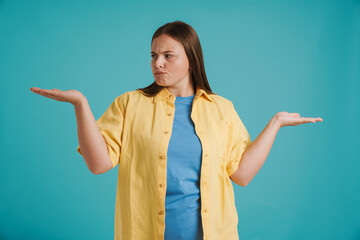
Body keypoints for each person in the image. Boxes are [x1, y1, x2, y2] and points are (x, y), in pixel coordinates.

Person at [30, 20, 323, 240]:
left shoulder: (221, 108)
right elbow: (98, 164)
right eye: (153, 55)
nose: (157, 63)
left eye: (168, 55)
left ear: (191, 60)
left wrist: (275, 124)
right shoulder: (129, 104)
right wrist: (81, 104)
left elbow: (241, 174)